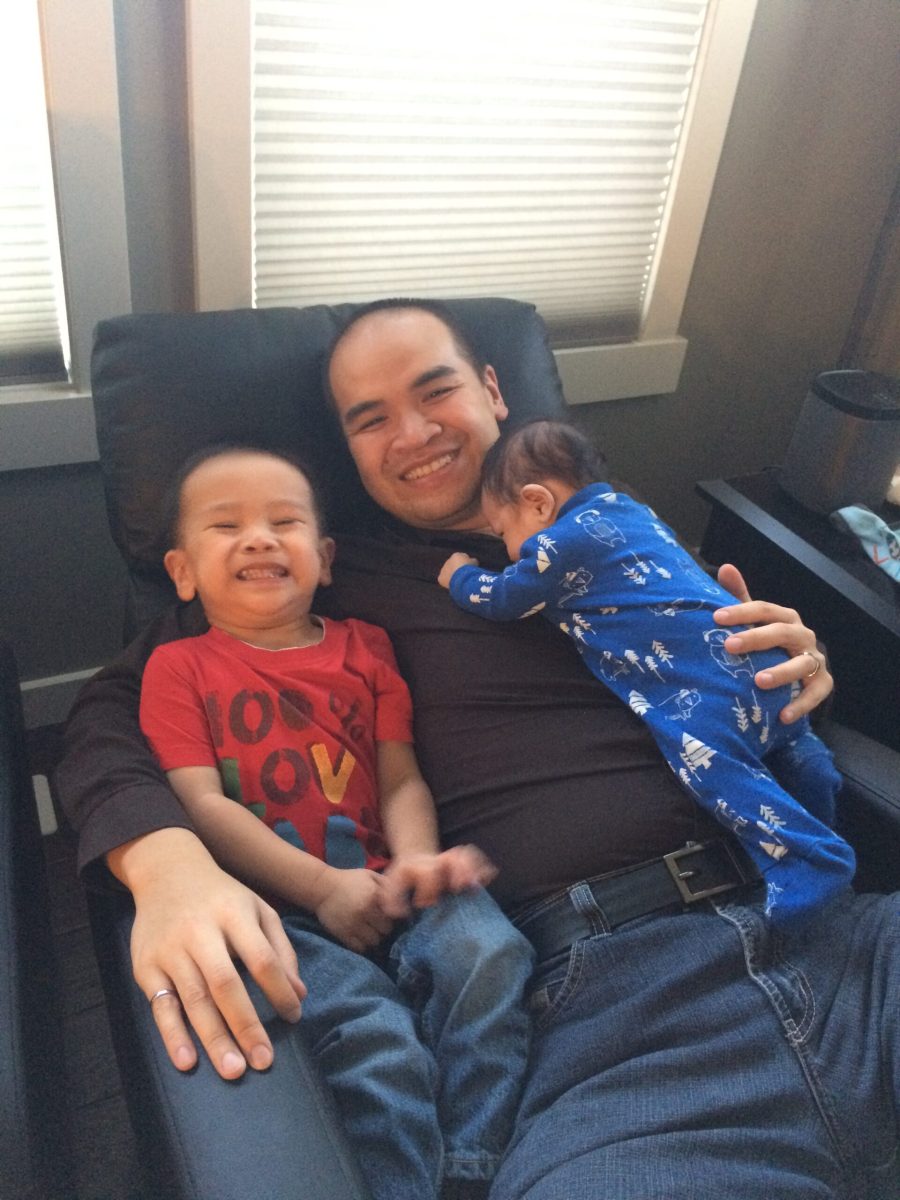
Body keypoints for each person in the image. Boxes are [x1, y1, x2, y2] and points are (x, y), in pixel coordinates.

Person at [56, 299, 897, 1199]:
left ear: (494, 390)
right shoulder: (328, 581)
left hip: (830, 927)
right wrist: (168, 867)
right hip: (610, 1022)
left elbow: (736, 662)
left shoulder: (610, 520)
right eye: (370, 420)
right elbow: (106, 712)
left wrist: (796, 658)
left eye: (436, 391)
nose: (413, 434)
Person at [138, 444, 534, 1200]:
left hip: (392, 880)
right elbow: (201, 805)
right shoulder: (179, 667)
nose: (259, 539)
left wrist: (417, 860)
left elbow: (400, 775)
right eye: (227, 526)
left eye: (283, 522)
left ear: (323, 560)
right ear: (182, 572)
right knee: (378, 1043)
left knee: (490, 955)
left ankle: (472, 1168)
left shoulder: (366, 647)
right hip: (283, 909)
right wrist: (320, 889)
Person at [438, 419, 854, 925]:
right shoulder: (638, 513)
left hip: (709, 687)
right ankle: (815, 780)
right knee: (794, 749)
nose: (507, 548)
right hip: (763, 664)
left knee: (714, 768)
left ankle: (807, 862)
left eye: (503, 530)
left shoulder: (558, 545)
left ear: (538, 503)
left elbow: (504, 597)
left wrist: (460, 575)